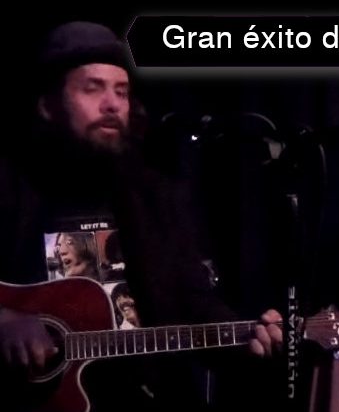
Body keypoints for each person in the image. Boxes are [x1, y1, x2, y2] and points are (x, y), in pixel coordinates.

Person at [0, 21, 284, 411]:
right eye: (92, 88)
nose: (113, 104)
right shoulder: (10, 188)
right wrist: (4, 319)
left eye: (121, 91)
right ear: (47, 105)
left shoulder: (153, 198)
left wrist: (247, 338)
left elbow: (193, 302)